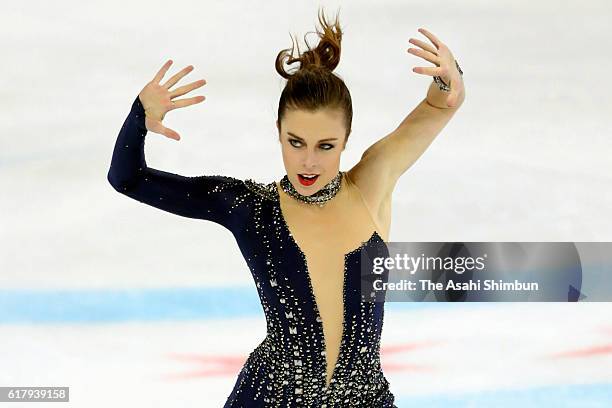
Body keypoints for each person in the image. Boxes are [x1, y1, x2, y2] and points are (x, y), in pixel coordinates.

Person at [107, 7, 465, 407]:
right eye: (296, 143)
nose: (309, 162)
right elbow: (128, 179)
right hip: (271, 397)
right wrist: (139, 115)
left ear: (345, 140)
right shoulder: (250, 209)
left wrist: (450, 75)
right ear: (278, 134)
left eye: (325, 146)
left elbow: (441, 103)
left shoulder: (370, 186)